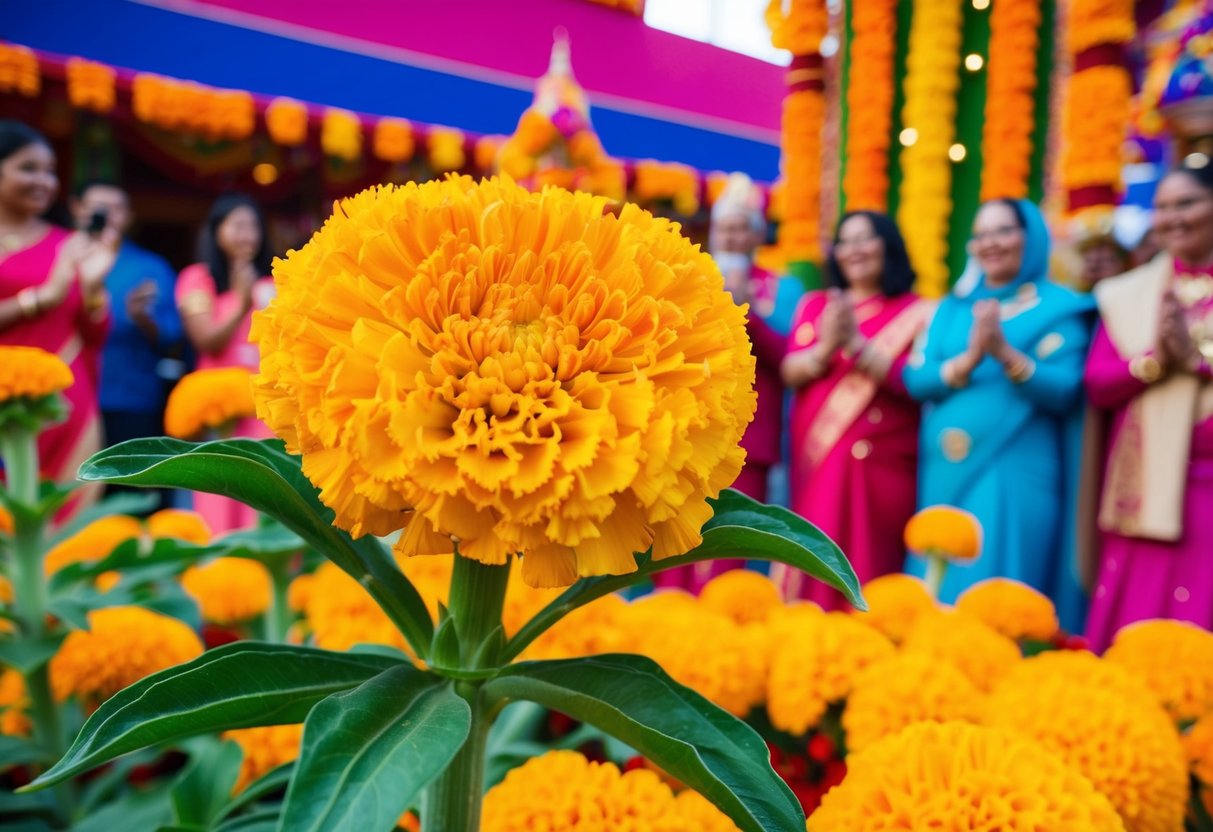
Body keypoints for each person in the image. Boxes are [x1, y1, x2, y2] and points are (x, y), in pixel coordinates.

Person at [903, 199, 1094, 629]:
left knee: (997, 585)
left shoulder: (1060, 308)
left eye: (1003, 231)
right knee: (937, 583)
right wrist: (970, 359)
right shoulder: (953, 307)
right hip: (943, 472)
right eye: (982, 233)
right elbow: (916, 378)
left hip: (1015, 466)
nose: (990, 243)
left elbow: (1066, 388)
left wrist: (1005, 353)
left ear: (1032, 239)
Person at [1085, 160, 1213, 650]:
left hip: (1207, 482)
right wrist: (1157, 361)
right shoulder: (1127, 294)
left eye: (1187, 203)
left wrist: (1197, 362)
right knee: (1139, 618)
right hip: (1148, 483)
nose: (1172, 218)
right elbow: (1098, 384)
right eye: (1161, 207)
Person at [773, 211, 929, 608]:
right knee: (813, 541)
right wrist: (827, 348)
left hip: (880, 463)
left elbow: (915, 383)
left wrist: (857, 345)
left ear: (887, 246)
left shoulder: (918, 311)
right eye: (846, 241)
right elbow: (791, 370)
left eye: (866, 239)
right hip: (815, 454)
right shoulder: (815, 304)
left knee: (868, 558)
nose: (855, 250)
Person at [652, 173, 797, 593]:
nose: (732, 238)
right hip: (688, 425)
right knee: (677, 534)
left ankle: (728, 609)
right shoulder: (692, 275)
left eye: (741, 228)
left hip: (750, 431)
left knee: (733, 534)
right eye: (725, 229)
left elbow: (788, 354)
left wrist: (745, 308)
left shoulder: (781, 287)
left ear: (756, 234)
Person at [0, 121, 115, 498]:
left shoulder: (70, 244)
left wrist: (95, 288)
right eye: (28, 168)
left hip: (63, 402)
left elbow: (95, 333)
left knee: (66, 531)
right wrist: (41, 298)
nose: (44, 181)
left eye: (50, 172)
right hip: (5, 398)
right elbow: (50, 299)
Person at [176, 193, 275, 532]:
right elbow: (206, 340)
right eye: (237, 225)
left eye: (253, 226)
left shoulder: (274, 285)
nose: (247, 234)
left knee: (265, 496)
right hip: (218, 412)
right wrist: (240, 301)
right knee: (219, 496)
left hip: (264, 409)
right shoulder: (197, 279)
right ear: (216, 230)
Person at [73, 182, 182, 473]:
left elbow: (173, 339)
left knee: (131, 487)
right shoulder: (61, 256)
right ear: (77, 209)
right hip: (68, 394)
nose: (108, 215)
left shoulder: (151, 266)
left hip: (131, 397)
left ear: (130, 217)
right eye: (99, 207)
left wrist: (144, 319)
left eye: (117, 208)